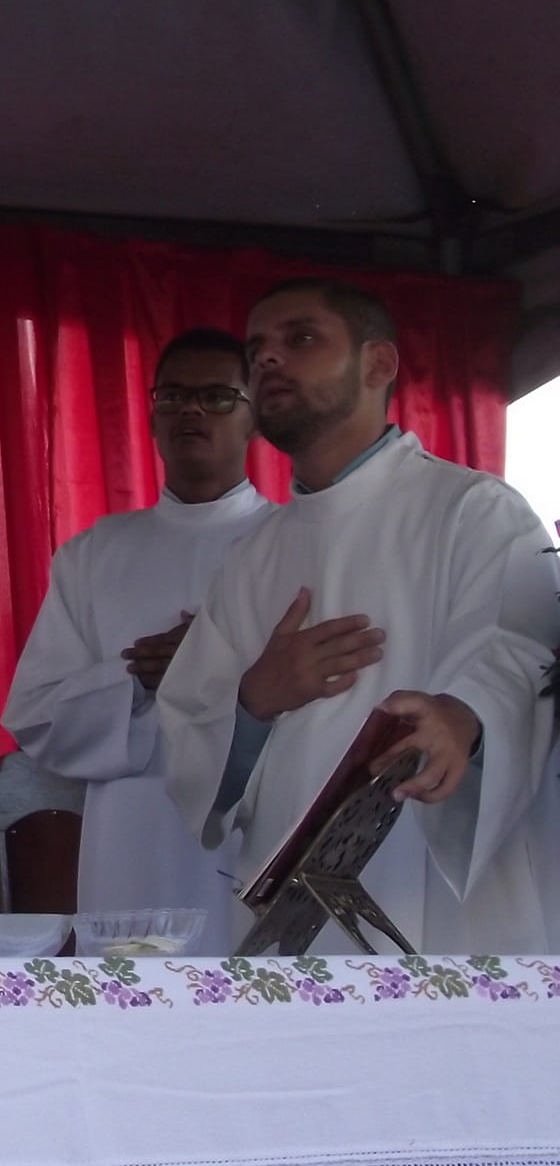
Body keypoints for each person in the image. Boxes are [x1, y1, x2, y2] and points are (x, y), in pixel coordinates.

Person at [160, 279, 559, 952]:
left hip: (432, 889)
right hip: (286, 905)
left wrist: (464, 717)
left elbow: (519, 652)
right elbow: (190, 744)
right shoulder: (251, 557)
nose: (268, 362)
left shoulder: (474, 510)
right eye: (258, 350)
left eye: (301, 339)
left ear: (378, 365)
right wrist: (255, 699)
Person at [2, 328, 269, 953]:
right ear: (151, 415)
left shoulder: (292, 543)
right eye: (173, 396)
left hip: (255, 821)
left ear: (255, 414)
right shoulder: (94, 555)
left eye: (216, 396)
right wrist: (138, 684)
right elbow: (36, 716)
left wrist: (216, 668)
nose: (191, 411)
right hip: (133, 833)